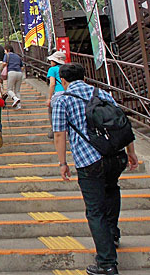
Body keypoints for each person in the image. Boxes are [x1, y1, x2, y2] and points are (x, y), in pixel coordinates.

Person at [52, 63, 138, 275]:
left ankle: (107, 263)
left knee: (95, 210)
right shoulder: (102, 94)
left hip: (88, 161)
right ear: (84, 76)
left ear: (63, 80)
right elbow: (122, 123)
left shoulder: (62, 100)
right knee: (111, 190)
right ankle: (112, 235)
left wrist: (62, 163)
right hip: (115, 156)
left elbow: (59, 134)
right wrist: (131, 152)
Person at [46, 50, 67, 138]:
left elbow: (52, 84)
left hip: (58, 93)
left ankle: (54, 129)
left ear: (55, 61)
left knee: (51, 111)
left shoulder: (52, 69)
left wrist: (49, 98)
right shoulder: (66, 68)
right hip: (68, 92)